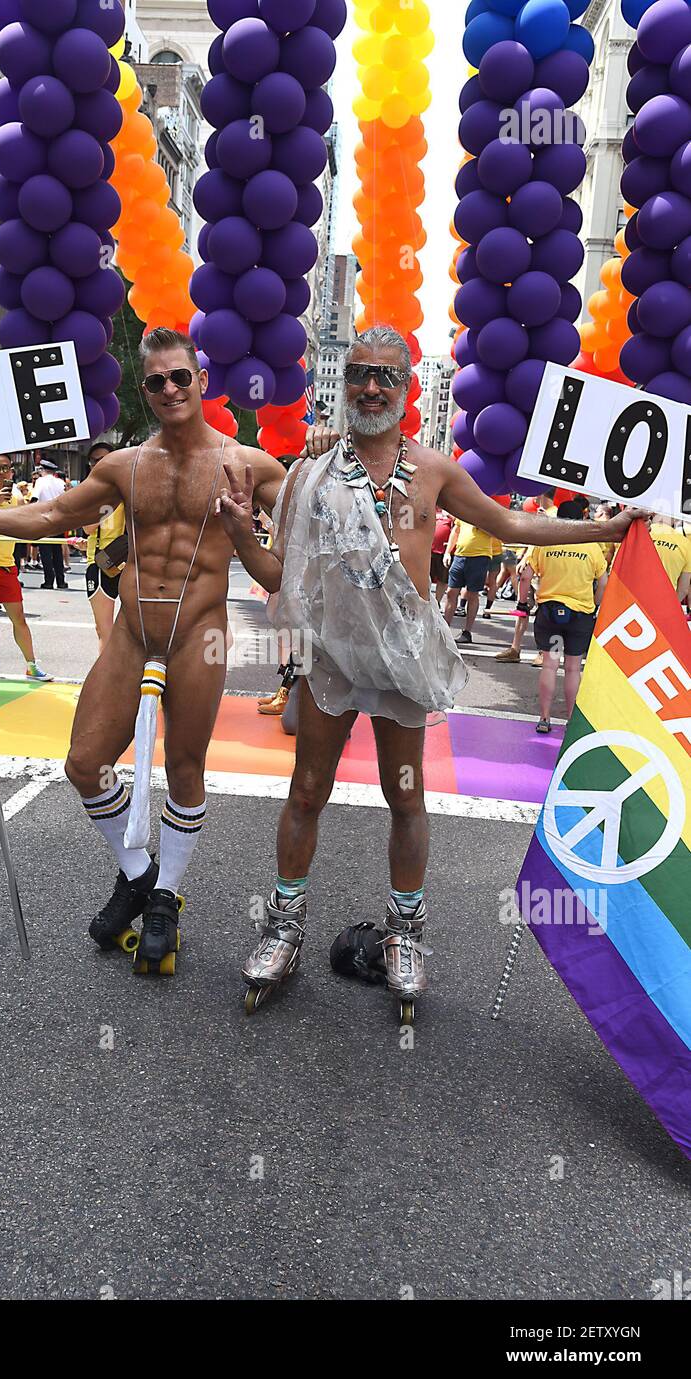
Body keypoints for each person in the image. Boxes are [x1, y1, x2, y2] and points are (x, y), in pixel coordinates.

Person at [216, 325, 637, 1020]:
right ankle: (284, 928)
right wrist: (237, 531)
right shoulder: (309, 472)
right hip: (330, 659)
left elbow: (511, 524)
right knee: (307, 789)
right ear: (344, 383)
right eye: (358, 374)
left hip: (403, 665)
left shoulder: (434, 471)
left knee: (405, 797)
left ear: (408, 387)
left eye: (385, 375)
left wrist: (601, 530)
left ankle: (405, 936)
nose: (371, 387)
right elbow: (274, 574)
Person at [0, 326, 287, 975]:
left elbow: (288, 569)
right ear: (146, 392)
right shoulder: (125, 466)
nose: (171, 389)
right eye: (157, 381)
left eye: (181, 376)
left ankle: (167, 900)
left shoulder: (251, 466)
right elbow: (49, 517)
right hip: (132, 632)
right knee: (85, 760)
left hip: (199, 636)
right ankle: (139, 874)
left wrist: (243, 533)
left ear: (201, 381)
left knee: (184, 767)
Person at [522, 497, 608, 735]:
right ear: (582, 519)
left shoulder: (546, 543)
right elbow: (603, 582)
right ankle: (571, 721)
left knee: (549, 666)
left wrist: (523, 602)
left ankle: (544, 718)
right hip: (580, 613)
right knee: (573, 669)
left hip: (550, 611)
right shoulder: (592, 546)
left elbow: (526, 576)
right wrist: (595, 606)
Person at [0, 455, 51, 682]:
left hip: (6, 566)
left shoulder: (17, 498)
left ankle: (31, 665)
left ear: (11, 472)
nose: (1, 472)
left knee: (19, 618)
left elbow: (27, 525)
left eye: (6, 468)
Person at [84, 441, 127, 651]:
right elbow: (88, 527)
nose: (99, 464)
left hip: (129, 560)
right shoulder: (89, 491)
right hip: (101, 561)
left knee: (134, 629)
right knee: (104, 629)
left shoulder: (128, 487)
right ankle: (108, 679)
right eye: (94, 461)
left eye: (104, 459)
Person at [441, 514, 497, 644]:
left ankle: (467, 632)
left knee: (472, 594)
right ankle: (444, 629)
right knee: (451, 592)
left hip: (480, 556)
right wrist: (448, 552)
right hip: (460, 555)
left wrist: (480, 524)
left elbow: (496, 532)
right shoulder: (464, 511)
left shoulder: (487, 512)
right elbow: (456, 530)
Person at [33, 460, 67, 589]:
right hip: (59, 519)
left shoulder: (41, 481)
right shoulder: (60, 482)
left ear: (42, 470)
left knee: (45, 551)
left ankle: (49, 580)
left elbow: (34, 499)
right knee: (57, 551)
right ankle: (61, 580)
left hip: (44, 519)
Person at [648, 513, 691, 605]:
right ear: (676, 518)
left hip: (632, 603)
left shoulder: (633, 534)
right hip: (664, 604)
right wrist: (670, 607)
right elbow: (683, 589)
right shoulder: (685, 543)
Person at [430, 507, 453, 607]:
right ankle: (426, 600)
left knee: (443, 579)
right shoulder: (432, 508)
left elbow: (458, 525)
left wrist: (449, 514)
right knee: (427, 577)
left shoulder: (451, 510)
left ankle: (437, 602)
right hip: (429, 549)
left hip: (444, 550)